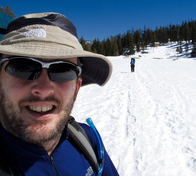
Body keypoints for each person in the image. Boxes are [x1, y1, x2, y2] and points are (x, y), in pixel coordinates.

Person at [0, 12, 119, 176]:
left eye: (63, 70)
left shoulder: (87, 140)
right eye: (23, 67)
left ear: (76, 89)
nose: (44, 89)